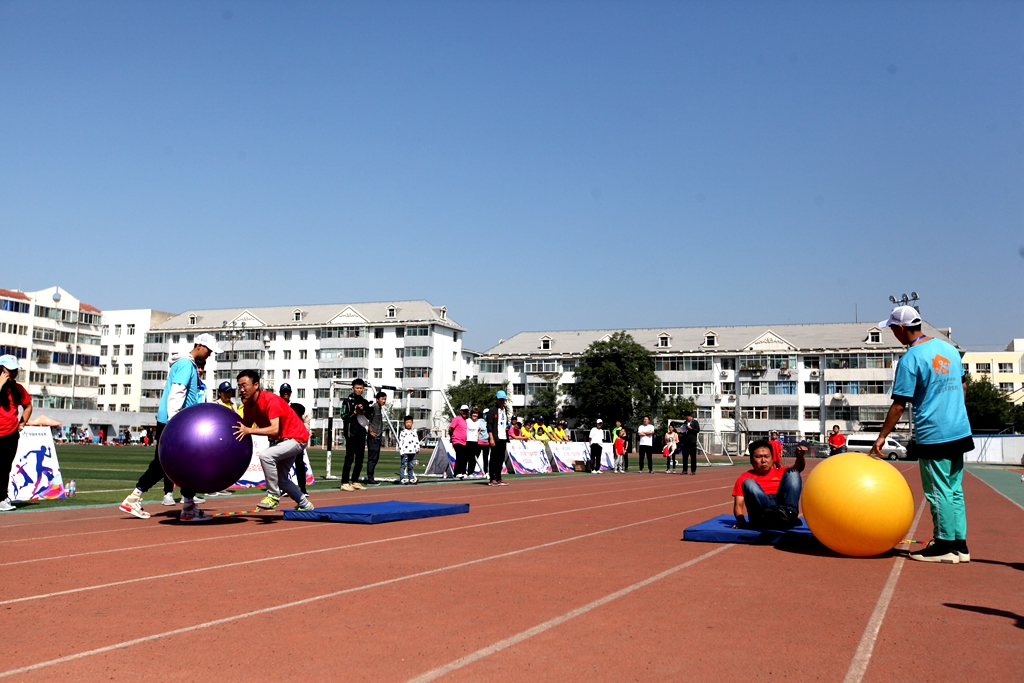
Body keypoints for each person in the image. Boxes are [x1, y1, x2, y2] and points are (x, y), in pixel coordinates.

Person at [872, 305, 973, 564]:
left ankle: (944, 546)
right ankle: (960, 545)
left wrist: (882, 436)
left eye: (893, 328)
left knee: (937, 491)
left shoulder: (911, 358)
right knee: (954, 489)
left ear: (902, 328)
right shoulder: (949, 349)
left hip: (935, 433)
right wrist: (954, 412)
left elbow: (899, 404)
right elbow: (962, 386)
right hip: (960, 429)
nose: (893, 333)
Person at [119, 334, 223, 522]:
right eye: (209, 350)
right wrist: (175, 425)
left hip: (181, 423)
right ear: (199, 346)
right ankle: (134, 497)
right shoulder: (185, 364)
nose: (210, 355)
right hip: (176, 423)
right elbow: (177, 394)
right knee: (163, 463)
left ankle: (188, 505)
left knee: (186, 464)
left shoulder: (187, 364)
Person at [234, 369, 313, 511]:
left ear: (256, 385)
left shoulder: (270, 400)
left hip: (297, 438)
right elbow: (244, 427)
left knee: (266, 456)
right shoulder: (248, 405)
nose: (241, 389)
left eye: (244, 385)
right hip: (284, 440)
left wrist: (249, 430)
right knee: (282, 480)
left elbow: (274, 429)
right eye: (239, 386)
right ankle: (305, 504)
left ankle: (273, 495)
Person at [732, 439, 806, 529]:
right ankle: (775, 514)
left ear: (772, 458)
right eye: (758, 457)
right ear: (751, 459)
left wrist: (800, 457)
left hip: (785, 514)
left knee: (793, 473)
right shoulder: (744, 478)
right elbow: (738, 505)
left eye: (766, 456)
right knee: (749, 483)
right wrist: (741, 521)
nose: (763, 460)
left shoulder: (782, 472)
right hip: (762, 517)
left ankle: (789, 513)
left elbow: (798, 468)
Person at [0, 355, 32, 512]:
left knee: (4, 467)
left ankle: (1, 499)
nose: (12, 373)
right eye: (9, 370)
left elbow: (28, 406)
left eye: (15, 370)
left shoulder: (18, 389)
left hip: (10, 434)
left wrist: (22, 423)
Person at [340, 378, 371, 492]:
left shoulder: (364, 401)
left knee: (360, 458)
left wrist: (364, 411)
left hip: (361, 432)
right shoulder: (347, 401)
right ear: (352, 388)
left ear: (363, 389)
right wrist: (354, 413)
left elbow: (369, 416)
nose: (359, 390)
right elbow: (343, 416)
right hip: (350, 432)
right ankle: (344, 482)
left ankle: (355, 481)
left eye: (361, 388)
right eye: (357, 388)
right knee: (349, 457)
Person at [485, 390, 510, 486]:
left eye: (503, 399)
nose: (501, 401)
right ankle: (492, 479)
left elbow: (503, 422)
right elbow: (489, 425)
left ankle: (499, 478)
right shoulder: (492, 410)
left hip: (503, 437)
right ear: (496, 399)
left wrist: (506, 427)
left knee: (500, 459)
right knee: (493, 459)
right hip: (495, 438)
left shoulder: (505, 410)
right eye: (499, 399)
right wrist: (491, 438)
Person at [364, 391, 388, 486]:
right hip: (373, 438)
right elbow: (368, 420)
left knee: (375, 458)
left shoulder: (379, 409)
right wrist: (371, 431)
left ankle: (371, 478)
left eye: (385, 399)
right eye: (382, 399)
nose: (384, 401)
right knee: (372, 458)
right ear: (377, 399)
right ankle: (370, 479)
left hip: (377, 438)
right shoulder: (374, 408)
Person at [450, 405, 470, 479]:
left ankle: (463, 472)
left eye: (466, 411)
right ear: (460, 411)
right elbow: (451, 428)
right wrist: (453, 436)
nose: (465, 412)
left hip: (463, 442)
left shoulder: (465, 421)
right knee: (460, 456)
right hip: (457, 441)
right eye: (464, 411)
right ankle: (457, 473)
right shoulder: (457, 419)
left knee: (464, 457)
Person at [397, 415, 420, 484]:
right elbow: (401, 442)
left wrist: (417, 448)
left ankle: (411, 478)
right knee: (403, 465)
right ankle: (402, 478)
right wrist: (401, 451)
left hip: (412, 452)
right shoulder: (403, 432)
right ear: (404, 423)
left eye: (410, 422)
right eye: (406, 422)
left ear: (412, 423)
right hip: (405, 452)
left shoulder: (414, 432)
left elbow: (416, 441)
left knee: (411, 465)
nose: (408, 424)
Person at [678, 411, 701, 475]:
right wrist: (679, 431)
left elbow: (698, 430)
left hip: (692, 442)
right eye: (685, 417)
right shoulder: (685, 423)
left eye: (687, 417)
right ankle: (685, 470)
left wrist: (691, 428)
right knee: (685, 457)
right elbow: (682, 429)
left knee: (693, 457)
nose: (686, 419)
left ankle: (693, 470)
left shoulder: (695, 422)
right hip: (685, 442)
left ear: (690, 416)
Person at [464, 408, 484, 477]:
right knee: (466, 457)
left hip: (475, 441)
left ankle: (470, 472)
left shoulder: (478, 422)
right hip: (467, 441)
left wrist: (477, 435)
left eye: (476, 413)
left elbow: (480, 429)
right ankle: (463, 472)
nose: (475, 415)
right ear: (471, 414)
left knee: (473, 458)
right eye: (474, 413)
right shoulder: (467, 421)